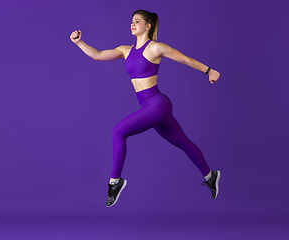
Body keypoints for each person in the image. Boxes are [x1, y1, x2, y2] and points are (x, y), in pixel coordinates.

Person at [70, 9, 221, 207]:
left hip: (158, 103)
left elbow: (185, 59)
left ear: (148, 26)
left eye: (137, 21)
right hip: (151, 106)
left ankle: (115, 182)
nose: (132, 24)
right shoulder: (125, 50)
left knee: (118, 131)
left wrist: (209, 71)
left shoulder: (156, 48)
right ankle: (211, 175)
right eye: (131, 21)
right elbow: (97, 55)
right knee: (183, 142)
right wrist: (79, 42)